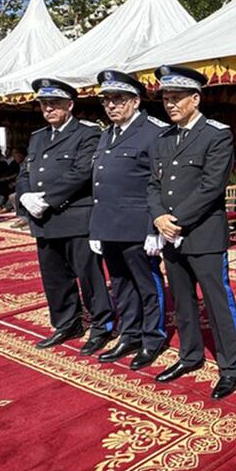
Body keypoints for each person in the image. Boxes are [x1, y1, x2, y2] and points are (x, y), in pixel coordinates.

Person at [146, 64, 236, 400]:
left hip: (203, 234)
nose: (170, 104)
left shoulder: (216, 134)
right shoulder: (163, 139)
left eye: (176, 97)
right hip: (169, 234)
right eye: (166, 98)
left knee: (217, 302)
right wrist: (158, 217)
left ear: (196, 99)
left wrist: (173, 220)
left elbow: (211, 186)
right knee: (183, 300)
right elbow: (152, 185)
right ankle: (190, 356)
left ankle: (230, 366)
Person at [16, 77, 115, 355]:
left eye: (54, 103)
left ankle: (101, 325)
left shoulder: (87, 133)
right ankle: (67, 323)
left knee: (89, 277)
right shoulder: (38, 137)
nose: (48, 109)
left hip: (74, 217)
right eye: (44, 104)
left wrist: (46, 200)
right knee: (55, 278)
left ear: (69, 105)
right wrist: (24, 196)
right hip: (44, 221)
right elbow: (25, 172)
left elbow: (82, 172)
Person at [88, 70, 170, 370]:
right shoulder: (107, 133)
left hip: (138, 226)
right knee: (121, 285)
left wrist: (153, 228)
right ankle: (130, 334)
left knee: (147, 285)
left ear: (135, 101)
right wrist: (96, 228)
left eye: (118, 99)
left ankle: (152, 337)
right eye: (107, 100)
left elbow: (159, 183)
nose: (111, 105)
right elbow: (100, 184)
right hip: (109, 225)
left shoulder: (154, 132)